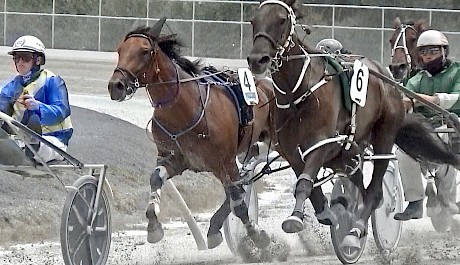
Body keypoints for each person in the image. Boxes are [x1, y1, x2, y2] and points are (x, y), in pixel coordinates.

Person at [394, 30, 460, 220]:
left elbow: (458, 99)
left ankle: (446, 197)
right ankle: (415, 202)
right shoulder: (416, 80)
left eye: (433, 51)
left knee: (446, 142)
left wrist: (429, 100)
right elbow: (404, 99)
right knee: (402, 152)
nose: (428, 56)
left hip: (451, 126)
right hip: (425, 129)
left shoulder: (457, 72)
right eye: (423, 52)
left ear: (444, 51)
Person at [0, 35, 73, 163]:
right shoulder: (13, 85)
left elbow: (62, 111)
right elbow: (2, 106)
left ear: (38, 60)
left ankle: (33, 145)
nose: (20, 62)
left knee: (42, 146)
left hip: (54, 140)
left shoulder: (52, 81)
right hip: (20, 139)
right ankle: (26, 146)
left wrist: (38, 107)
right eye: (17, 57)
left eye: (26, 57)